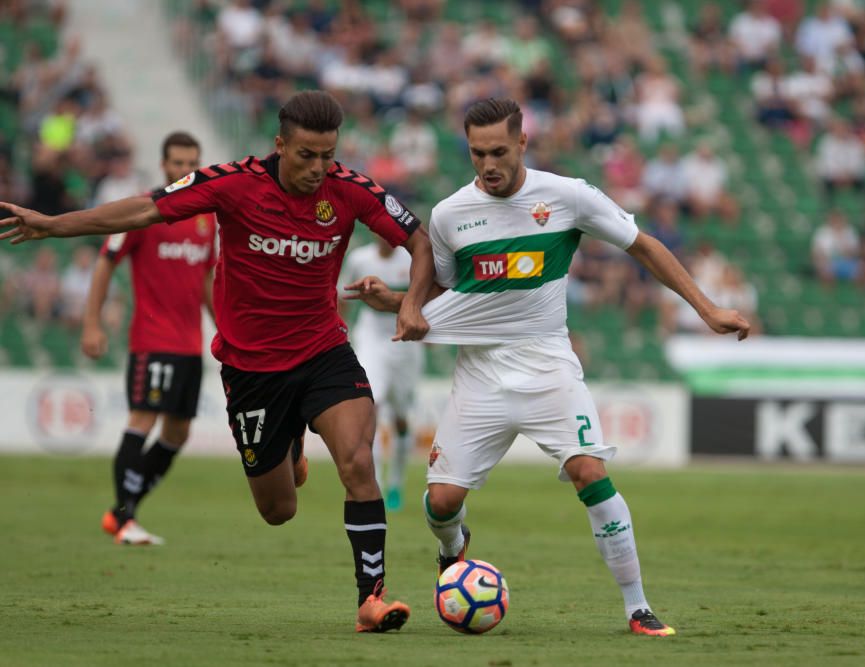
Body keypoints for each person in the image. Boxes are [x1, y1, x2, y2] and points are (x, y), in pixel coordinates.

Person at [0, 90, 435, 633]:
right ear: (280, 145)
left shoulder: (349, 190)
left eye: (327, 155)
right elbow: (145, 207)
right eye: (306, 155)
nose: (318, 168)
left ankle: (371, 599)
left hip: (324, 350)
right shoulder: (233, 183)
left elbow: (420, 241)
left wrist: (412, 301)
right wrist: (55, 224)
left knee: (357, 462)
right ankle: (291, 439)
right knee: (278, 510)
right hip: (252, 370)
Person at [346, 98, 750, 637]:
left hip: (547, 363)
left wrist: (707, 309)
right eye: (476, 153)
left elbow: (644, 246)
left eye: (497, 151)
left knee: (590, 471)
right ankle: (453, 551)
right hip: (481, 372)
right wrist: (398, 301)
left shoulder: (567, 196)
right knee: (441, 504)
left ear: (521, 144)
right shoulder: (449, 216)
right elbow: (446, 293)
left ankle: (637, 606)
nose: (487, 164)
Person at [82, 131, 217, 546]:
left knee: (177, 434)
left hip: (190, 345)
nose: (182, 171)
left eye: (190, 164)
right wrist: (93, 322)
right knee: (142, 421)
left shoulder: (206, 218)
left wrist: (225, 332)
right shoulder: (143, 211)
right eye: (176, 163)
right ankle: (125, 519)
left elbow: (207, 278)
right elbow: (106, 262)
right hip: (152, 340)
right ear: (163, 166)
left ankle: (122, 511)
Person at [339, 235, 424, 512]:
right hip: (372, 341)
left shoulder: (411, 260)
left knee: (400, 420)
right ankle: (372, 484)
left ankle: (396, 483)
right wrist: (340, 335)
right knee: (371, 406)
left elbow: (425, 297)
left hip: (405, 344)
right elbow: (343, 299)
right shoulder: (360, 260)